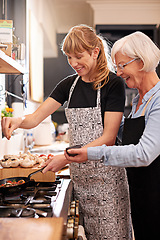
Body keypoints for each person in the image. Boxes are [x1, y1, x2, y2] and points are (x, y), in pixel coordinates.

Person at [1, 24, 131, 239]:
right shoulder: (67, 86)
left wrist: (67, 158)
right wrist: (16, 120)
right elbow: (34, 118)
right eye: (69, 57)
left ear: (95, 52)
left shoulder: (113, 84)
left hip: (108, 183)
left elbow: (108, 138)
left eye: (78, 56)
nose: (73, 63)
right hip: (81, 182)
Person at [64, 31, 160, 240]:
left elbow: (143, 154)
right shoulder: (138, 101)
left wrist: (92, 153)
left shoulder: (158, 100)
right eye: (117, 66)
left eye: (122, 65)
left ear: (142, 61)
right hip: (140, 194)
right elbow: (122, 134)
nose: (119, 72)